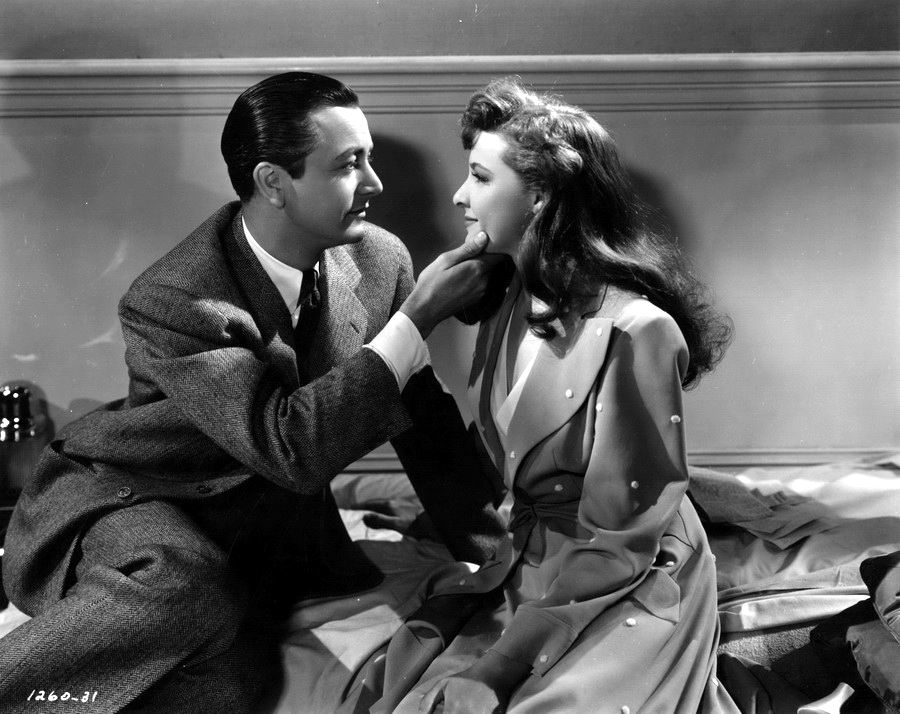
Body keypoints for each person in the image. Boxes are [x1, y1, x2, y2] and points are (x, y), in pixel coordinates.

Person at [0, 72, 507, 712]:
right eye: (349, 164)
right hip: (136, 495)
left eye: (369, 157)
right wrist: (418, 319)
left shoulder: (379, 260)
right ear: (273, 183)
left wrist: (500, 558)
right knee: (186, 587)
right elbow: (288, 447)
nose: (374, 183)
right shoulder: (177, 298)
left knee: (234, 677)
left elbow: (422, 418)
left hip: (253, 528)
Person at [378, 78, 737, 713]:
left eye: (480, 178)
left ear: (540, 195)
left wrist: (498, 668)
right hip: (541, 561)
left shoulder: (637, 331)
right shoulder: (507, 300)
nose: (460, 196)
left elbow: (621, 539)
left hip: (627, 573)